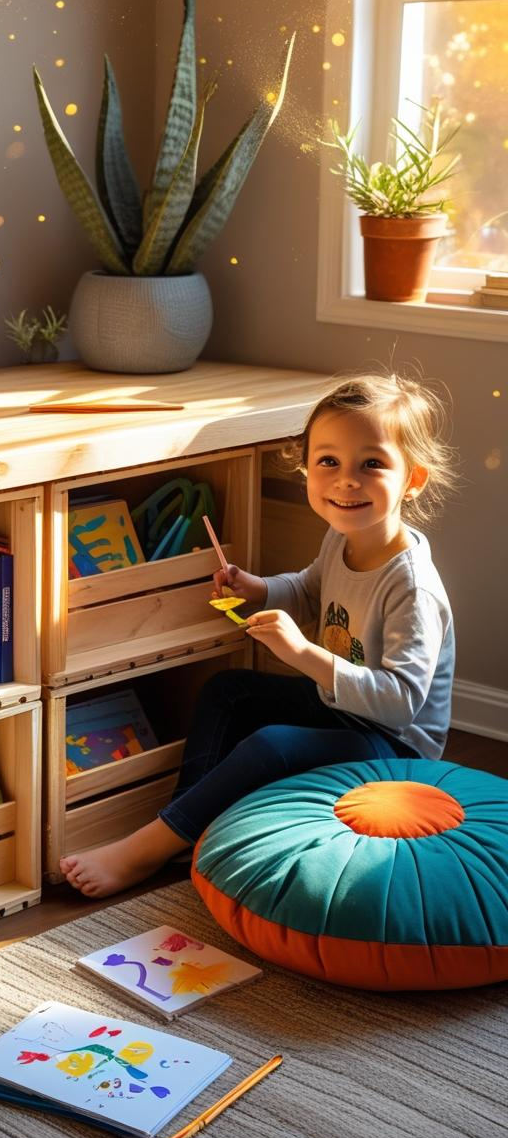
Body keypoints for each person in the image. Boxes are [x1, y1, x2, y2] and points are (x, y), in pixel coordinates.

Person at [60, 371, 457, 898]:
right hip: (345, 708)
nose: (346, 480)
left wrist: (302, 653)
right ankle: (182, 826)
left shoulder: (411, 588)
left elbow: (401, 703)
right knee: (228, 691)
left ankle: (150, 846)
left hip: (395, 745)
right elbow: (310, 590)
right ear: (307, 468)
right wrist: (260, 589)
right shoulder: (343, 540)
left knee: (270, 745)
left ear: (413, 479)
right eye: (329, 462)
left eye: (373, 464)